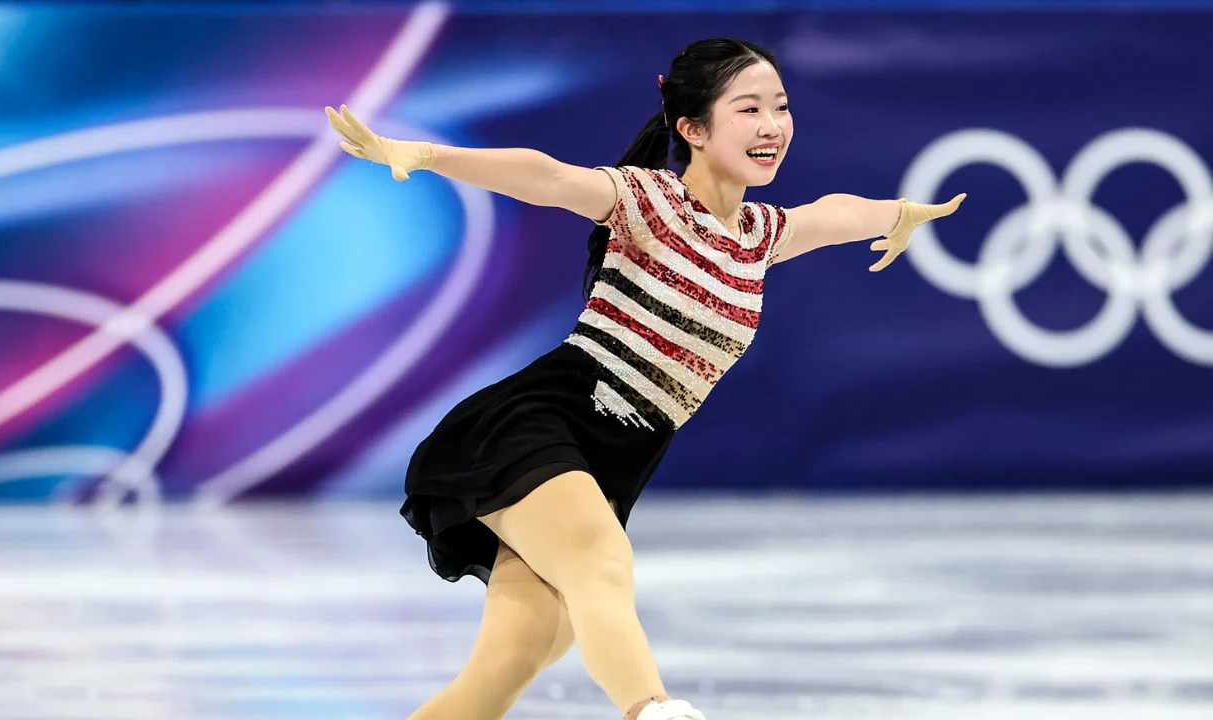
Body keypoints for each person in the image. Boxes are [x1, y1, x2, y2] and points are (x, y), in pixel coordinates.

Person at [326, 37, 963, 720]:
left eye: (780, 106)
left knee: (503, 672)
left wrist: (901, 216)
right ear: (692, 129)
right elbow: (545, 176)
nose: (773, 125)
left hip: (618, 461)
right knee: (602, 564)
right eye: (749, 109)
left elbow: (838, 214)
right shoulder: (646, 201)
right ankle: (653, 711)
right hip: (545, 421)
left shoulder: (761, 236)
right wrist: (426, 154)